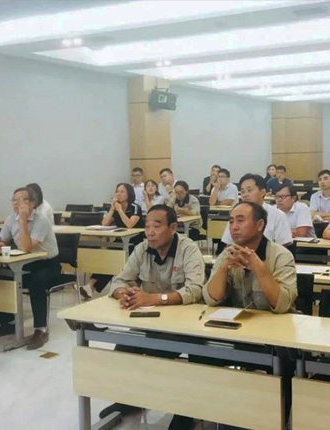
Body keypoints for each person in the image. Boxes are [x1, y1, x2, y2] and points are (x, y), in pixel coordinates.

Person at [100, 205, 205, 429]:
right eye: (147, 226)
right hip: (151, 321)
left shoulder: (188, 249)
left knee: (159, 356)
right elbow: (119, 280)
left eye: (156, 226)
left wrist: (154, 298)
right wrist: (124, 293)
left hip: (185, 326)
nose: (150, 232)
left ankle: (185, 411)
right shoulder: (141, 249)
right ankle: (129, 400)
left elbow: (195, 289)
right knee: (124, 350)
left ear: (173, 228)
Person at [204, 201, 297, 428]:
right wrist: (225, 267)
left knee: (282, 365)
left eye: (240, 220)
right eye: (231, 221)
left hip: (277, 339)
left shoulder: (280, 255)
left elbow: (282, 304)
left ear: (260, 225)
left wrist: (259, 268)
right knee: (201, 354)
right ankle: (210, 413)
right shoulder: (227, 253)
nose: (234, 227)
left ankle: (278, 418)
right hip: (240, 334)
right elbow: (211, 298)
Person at [0, 187, 60, 349]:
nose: (16, 204)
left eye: (21, 200)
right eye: (14, 200)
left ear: (32, 203)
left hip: (48, 264)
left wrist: (22, 220)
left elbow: (27, 247)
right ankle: (6, 323)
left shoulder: (41, 220)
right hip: (25, 263)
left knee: (37, 283)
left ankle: (40, 330)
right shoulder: (11, 219)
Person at [220, 174, 293, 247]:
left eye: (249, 190)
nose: (245, 195)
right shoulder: (236, 214)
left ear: (263, 192)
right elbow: (228, 243)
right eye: (242, 191)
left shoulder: (278, 215)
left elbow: (284, 246)